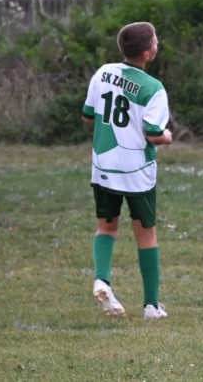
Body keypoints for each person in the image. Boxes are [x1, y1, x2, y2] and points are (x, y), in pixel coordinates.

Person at [82, 21, 173, 319]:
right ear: (147, 54)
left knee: (106, 227)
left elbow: (88, 117)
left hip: (104, 166)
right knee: (146, 234)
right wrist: (167, 137)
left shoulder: (102, 73)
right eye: (156, 41)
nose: (157, 44)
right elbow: (153, 134)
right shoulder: (153, 88)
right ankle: (151, 306)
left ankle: (101, 280)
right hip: (137, 172)